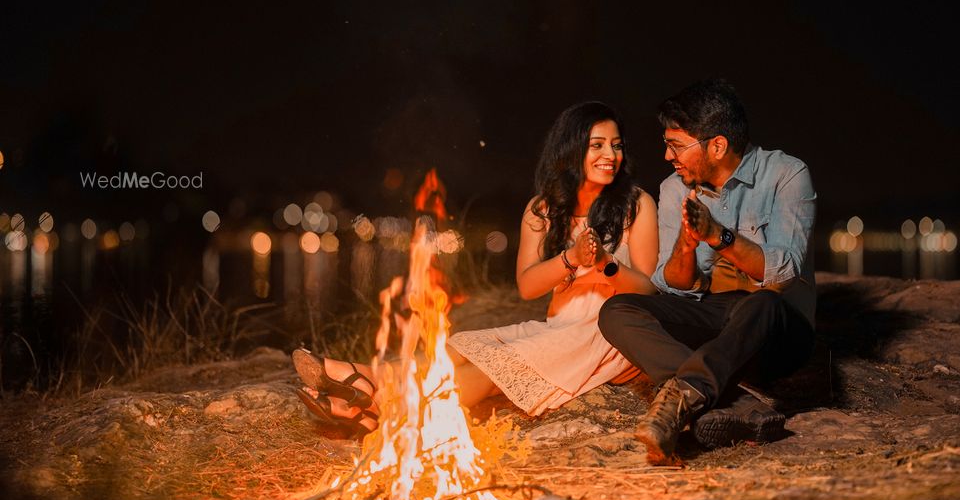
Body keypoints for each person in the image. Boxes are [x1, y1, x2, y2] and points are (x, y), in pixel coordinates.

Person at [293, 101, 659, 435]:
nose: (610, 154)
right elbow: (528, 287)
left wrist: (605, 264)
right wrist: (570, 260)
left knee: (492, 368)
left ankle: (383, 407)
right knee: (461, 348)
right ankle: (368, 379)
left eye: (617, 145)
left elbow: (648, 291)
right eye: (597, 145)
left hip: (610, 333)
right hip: (561, 326)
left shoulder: (636, 204)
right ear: (572, 148)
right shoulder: (542, 209)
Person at [598, 78, 817, 464]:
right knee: (618, 311)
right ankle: (736, 404)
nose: (667, 155)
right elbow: (678, 288)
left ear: (717, 145)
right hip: (717, 321)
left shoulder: (786, 174)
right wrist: (686, 246)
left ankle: (682, 398)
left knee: (762, 301)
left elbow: (784, 273)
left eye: (676, 145)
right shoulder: (675, 189)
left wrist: (718, 236)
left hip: (775, 330)